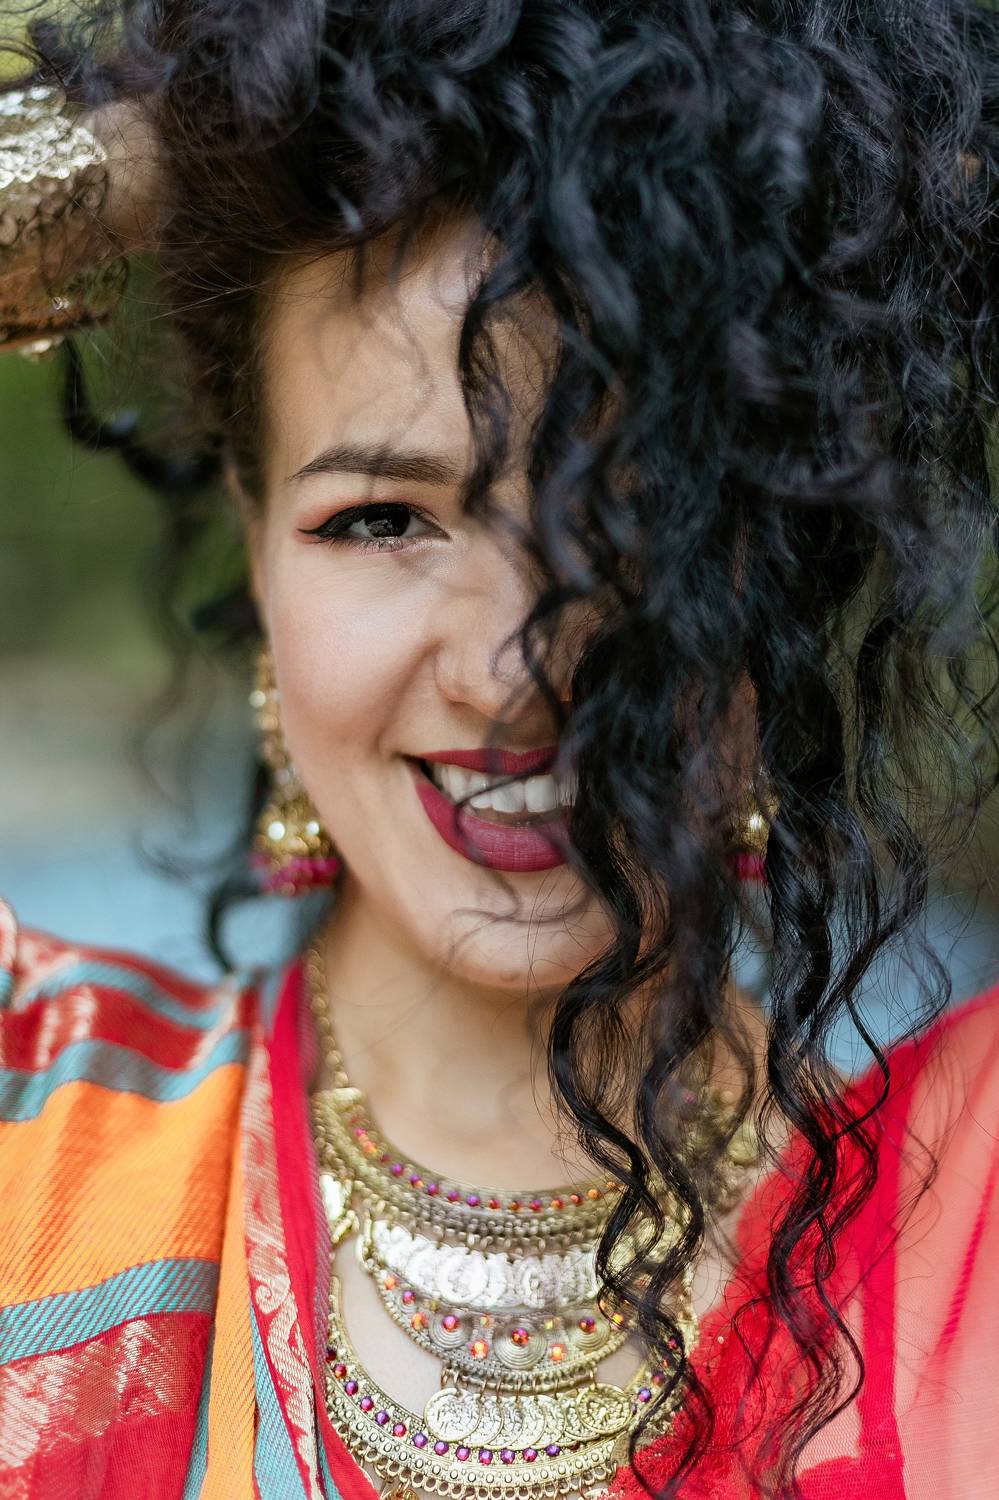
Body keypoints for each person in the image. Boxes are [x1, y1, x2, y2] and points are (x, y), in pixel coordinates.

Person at [0, 1, 998, 1497]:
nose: (511, 674)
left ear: (782, 553)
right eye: (381, 520)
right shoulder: (33, 1133)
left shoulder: (971, 1216)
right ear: (256, 546)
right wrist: (192, 126)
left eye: (635, 515)